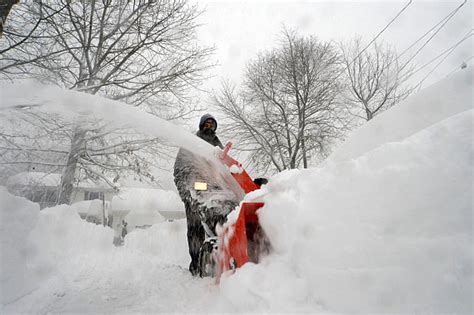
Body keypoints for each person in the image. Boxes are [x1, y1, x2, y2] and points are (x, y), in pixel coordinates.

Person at [173, 114, 235, 276]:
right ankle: (195, 263)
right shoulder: (191, 143)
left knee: (227, 218)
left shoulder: (217, 145)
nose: (209, 126)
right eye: (206, 124)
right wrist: (188, 192)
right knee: (195, 227)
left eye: (212, 124)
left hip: (217, 191)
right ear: (201, 125)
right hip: (195, 191)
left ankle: (227, 251)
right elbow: (179, 170)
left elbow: (225, 169)